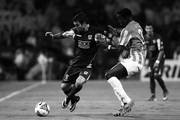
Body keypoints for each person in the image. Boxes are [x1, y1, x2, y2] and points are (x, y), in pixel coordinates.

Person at [45, 11, 107, 112]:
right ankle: (74, 99)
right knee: (64, 87)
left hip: (87, 65)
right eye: (75, 25)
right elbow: (65, 34)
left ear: (84, 23)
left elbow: (105, 43)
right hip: (75, 64)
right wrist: (53, 36)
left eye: (77, 25)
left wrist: (106, 45)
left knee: (79, 82)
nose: (76, 27)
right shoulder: (75, 32)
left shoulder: (95, 32)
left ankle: (68, 98)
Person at [105, 8, 146, 116]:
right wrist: (117, 33)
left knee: (109, 75)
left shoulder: (126, 30)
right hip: (139, 60)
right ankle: (124, 106)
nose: (119, 21)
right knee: (113, 78)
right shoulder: (137, 25)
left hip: (134, 60)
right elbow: (129, 42)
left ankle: (127, 101)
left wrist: (108, 43)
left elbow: (119, 48)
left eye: (120, 19)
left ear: (127, 17)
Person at [144, 24, 168, 101]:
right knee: (151, 76)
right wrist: (146, 62)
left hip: (160, 58)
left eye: (150, 28)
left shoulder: (157, 37)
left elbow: (161, 51)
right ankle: (153, 96)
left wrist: (157, 62)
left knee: (156, 75)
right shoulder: (144, 38)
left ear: (152, 29)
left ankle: (165, 91)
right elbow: (145, 51)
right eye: (147, 28)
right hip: (152, 59)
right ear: (145, 29)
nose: (148, 30)